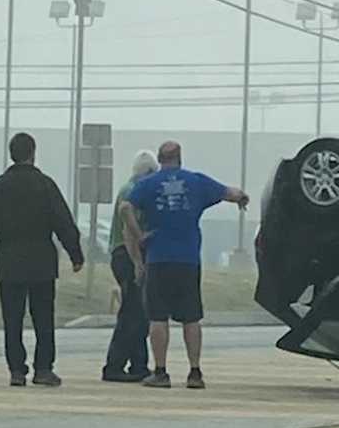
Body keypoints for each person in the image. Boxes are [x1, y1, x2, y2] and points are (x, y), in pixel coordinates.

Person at [123, 140, 248, 389]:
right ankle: (195, 372)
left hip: (159, 259)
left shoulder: (148, 184)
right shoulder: (197, 182)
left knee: (158, 317)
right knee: (191, 318)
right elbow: (230, 193)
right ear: (180, 158)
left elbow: (125, 207)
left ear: (160, 159)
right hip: (188, 260)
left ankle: (160, 372)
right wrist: (243, 198)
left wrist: (140, 236)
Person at [0, 132, 84, 387]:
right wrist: (75, 254)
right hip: (41, 260)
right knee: (43, 317)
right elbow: (63, 221)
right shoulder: (45, 185)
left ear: (12, 154)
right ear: (33, 153)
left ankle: (16, 370)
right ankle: (43, 369)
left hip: (9, 260)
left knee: (12, 318)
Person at [101, 149, 158, 382]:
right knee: (131, 313)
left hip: (124, 255)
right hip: (127, 254)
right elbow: (128, 232)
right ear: (149, 172)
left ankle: (139, 365)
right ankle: (113, 366)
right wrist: (137, 263)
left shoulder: (130, 187)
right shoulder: (134, 192)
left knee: (139, 312)